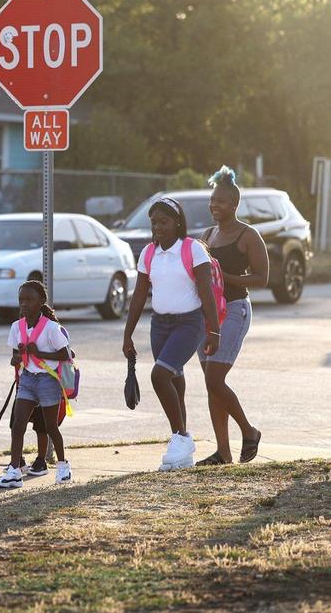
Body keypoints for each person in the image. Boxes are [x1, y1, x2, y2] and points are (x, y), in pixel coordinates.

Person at [122, 196, 220, 470]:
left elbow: (207, 293)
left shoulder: (193, 250)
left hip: (189, 324)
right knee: (175, 382)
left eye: (163, 222)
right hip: (160, 325)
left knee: (159, 375)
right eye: (154, 223)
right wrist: (127, 335)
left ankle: (181, 436)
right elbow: (139, 297)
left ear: (177, 222)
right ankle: (183, 453)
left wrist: (214, 330)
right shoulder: (149, 253)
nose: (158, 228)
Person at [196, 166, 266, 465]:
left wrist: (226, 277)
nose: (215, 205)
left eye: (221, 201)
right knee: (212, 385)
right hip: (207, 315)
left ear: (234, 204)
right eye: (212, 200)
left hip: (235, 310)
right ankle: (223, 452)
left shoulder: (248, 235)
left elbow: (262, 278)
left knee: (214, 378)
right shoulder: (207, 235)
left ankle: (249, 431)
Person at [0, 280, 72, 489]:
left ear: (41, 302)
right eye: (21, 300)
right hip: (27, 379)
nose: (24, 304)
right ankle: (14, 471)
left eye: (30, 300)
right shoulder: (16, 327)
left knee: (51, 427)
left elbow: (65, 354)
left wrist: (39, 353)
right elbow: (15, 357)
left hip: (48, 380)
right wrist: (18, 357)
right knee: (17, 425)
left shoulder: (52, 328)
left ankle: (63, 466)